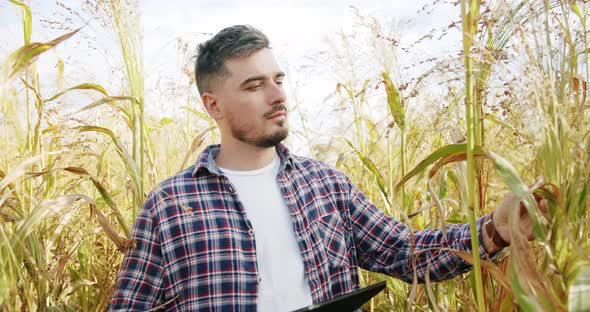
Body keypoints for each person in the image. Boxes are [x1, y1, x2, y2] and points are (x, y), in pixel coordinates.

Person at [108, 25, 547, 311]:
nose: (277, 95)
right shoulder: (170, 204)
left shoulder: (326, 185)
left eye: (278, 80)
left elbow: (405, 252)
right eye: (255, 85)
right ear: (213, 104)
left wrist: (495, 231)